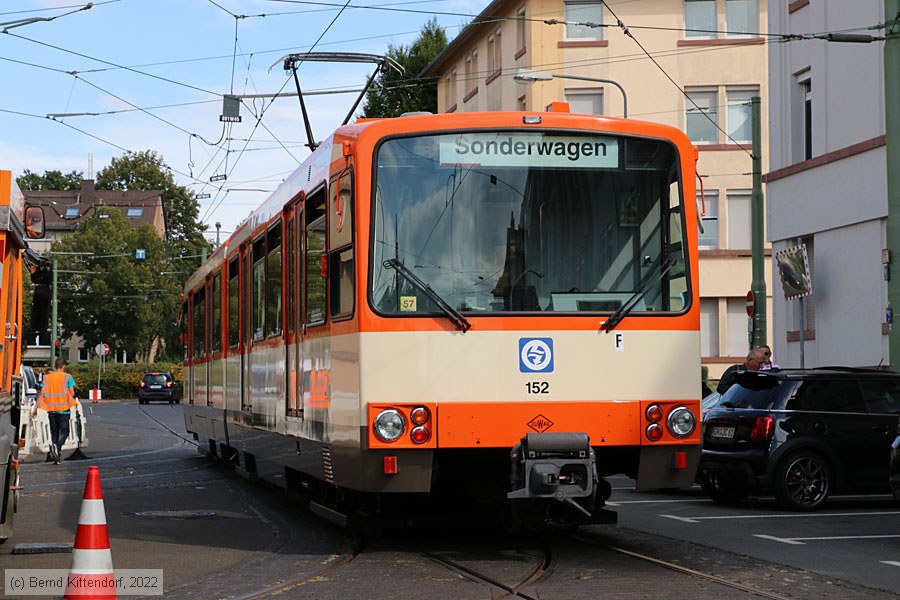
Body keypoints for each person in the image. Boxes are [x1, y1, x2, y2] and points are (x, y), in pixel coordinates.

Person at [34, 357, 76, 464]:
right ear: (63, 366)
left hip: (51, 410)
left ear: (55, 366)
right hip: (63, 409)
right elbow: (72, 393)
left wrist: (36, 408)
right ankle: (57, 447)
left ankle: (56, 456)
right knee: (65, 431)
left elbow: (41, 394)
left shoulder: (47, 378)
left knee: (55, 433)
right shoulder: (67, 377)